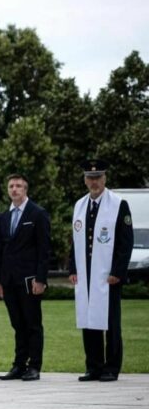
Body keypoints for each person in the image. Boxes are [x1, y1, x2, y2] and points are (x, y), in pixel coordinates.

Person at [68, 159, 134, 382]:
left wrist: (118, 270)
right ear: (85, 180)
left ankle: (111, 367)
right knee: (88, 319)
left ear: (105, 178)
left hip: (108, 276)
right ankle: (93, 365)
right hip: (86, 274)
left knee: (111, 322)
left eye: (98, 177)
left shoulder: (118, 204)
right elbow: (75, 241)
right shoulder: (79, 205)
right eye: (90, 177)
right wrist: (73, 268)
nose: (94, 181)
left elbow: (126, 242)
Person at [0, 174, 50, 381]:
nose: (14, 189)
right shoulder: (3, 217)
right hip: (8, 280)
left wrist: (41, 279)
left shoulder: (38, 214)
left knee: (32, 324)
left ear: (25, 189)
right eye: (11, 186)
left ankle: (34, 366)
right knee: (17, 324)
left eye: (18, 186)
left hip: (30, 280)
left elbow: (44, 250)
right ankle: (19, 365)